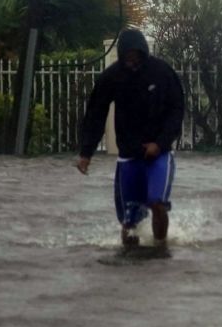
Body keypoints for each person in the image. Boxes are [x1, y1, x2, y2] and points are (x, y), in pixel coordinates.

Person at [76, 29, 184, 250]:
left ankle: (161, 248)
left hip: (159, 154)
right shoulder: (112, 77)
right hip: (129, 156)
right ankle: (129, 258)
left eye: (137, 55)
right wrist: (86, 153)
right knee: (129, 220)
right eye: (128, 55)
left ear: (144, 52)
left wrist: (160, 143)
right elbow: (96, 113)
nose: (132, 60)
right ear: (122, 54)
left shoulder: (162, 72)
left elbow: (177, 111)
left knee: (157, 202)